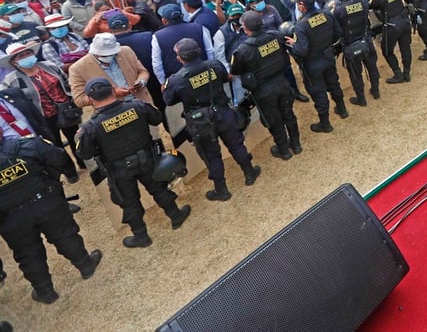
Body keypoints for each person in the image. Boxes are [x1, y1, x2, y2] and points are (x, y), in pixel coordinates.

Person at [76, 77, 192, 248]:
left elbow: (85, 153)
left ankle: (141, 236)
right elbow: (156, 118)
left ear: (91, 99)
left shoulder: (90, 127)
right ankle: (175, 216)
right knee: (158, 189)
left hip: (119, 170)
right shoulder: (136, 105)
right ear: (113, 90)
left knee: (129, 202)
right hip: (147, 158)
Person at [0, 133, 102, 304]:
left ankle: (45, 292)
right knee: (65, 236)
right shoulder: (30, 144)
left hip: (11, 219)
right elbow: (59, 158)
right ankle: (86, 265)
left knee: (28, 254)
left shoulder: (29, 144)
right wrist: (50, 182)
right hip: (45, 202)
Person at [163, 38, 260, 201]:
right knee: (236, 144)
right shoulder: (214, 65)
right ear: (199, 51)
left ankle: (221, 190)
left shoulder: (175, 80)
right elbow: (223, 78)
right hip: (223, 112)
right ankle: (249, 172)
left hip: (200, 122)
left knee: (211, 156)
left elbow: (169, 100)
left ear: (180, 58)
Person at [1, 41, 84, 179]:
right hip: (43, 117)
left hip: (65, 110)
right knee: (55, 145)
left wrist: (73, 100)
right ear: (14, 62)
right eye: (21, 56)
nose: (26, 57)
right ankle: (69, 171)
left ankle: (83, 162)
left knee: (75, 137)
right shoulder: (11, 80)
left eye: (28, 53)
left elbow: (66, 82)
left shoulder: (49, 66)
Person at [230, 11, 301, 160]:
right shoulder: (276, 36)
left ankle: (284, 150)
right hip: (283, 82)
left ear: (245, 28)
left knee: (274, 120)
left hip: (264, 90)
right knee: (288, 114)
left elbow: (235, 70)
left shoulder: (242, 50)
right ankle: (296, 144)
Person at [288, 0, 347, 132]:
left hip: (312, 64)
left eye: (298, 4)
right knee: (334, 84)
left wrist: (293, 44)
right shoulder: (327, 14)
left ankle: (325, 124)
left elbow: (301, 51)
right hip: (328, 57)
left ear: (302, 6)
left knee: (318, 92)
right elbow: (338, 33)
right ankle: (342, 109)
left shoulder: (300, 26)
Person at [329, 0, 381, 107]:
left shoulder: (339, 10)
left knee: (355, 73)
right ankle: (375, 91)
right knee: (372, 66)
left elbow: (337, 28)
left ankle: (361, 98)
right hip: (366, 40)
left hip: (350, 45)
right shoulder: (363, 2)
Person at [151, 4, 214, 86]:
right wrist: (211, 70)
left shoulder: (157, 36)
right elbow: (210, 51)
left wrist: (163, 83)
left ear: (164, 21)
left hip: (179, 83)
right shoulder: (199, 28)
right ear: (182, 16)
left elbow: (157, 64)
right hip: (204, 76)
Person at [369, 0, 413, 85]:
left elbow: (371, 4)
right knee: (405, 48)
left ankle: (398, 74)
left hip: (392, 25)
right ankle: (407, 73)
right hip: (404, 20)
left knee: (387, 50)